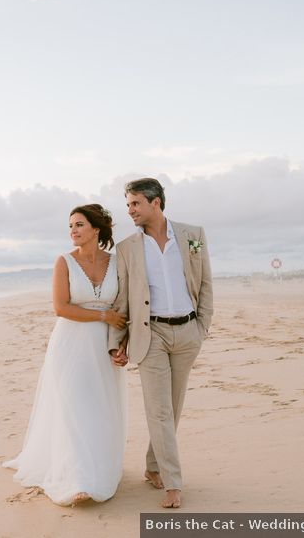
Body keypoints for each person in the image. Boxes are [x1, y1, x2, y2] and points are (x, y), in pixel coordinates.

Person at [3, 203, 129, 507]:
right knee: (73, 408)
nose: (72, 231)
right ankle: (78, 480)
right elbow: (61, 308)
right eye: (70, 226)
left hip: (105, 346)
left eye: (79, 225)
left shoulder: (118, 262)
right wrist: (103, 318)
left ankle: (99, 467)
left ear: (96, 230)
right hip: (70, 345)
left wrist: (122, 342)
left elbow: (125, 307)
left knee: (100, 409)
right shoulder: (64, 262)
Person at [108, 178, 213, 509]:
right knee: (159, 410)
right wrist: (116, 341)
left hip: (187, 333)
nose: (130, 211)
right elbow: (123, 298)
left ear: (156, 202)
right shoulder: (126, 248)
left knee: (173, 407)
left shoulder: (193, 236)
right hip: (150, 335)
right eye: (128, 205)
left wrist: (201, 326)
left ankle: (154, 466)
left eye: (135, 203)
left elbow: (205, 281)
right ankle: (172, 482)